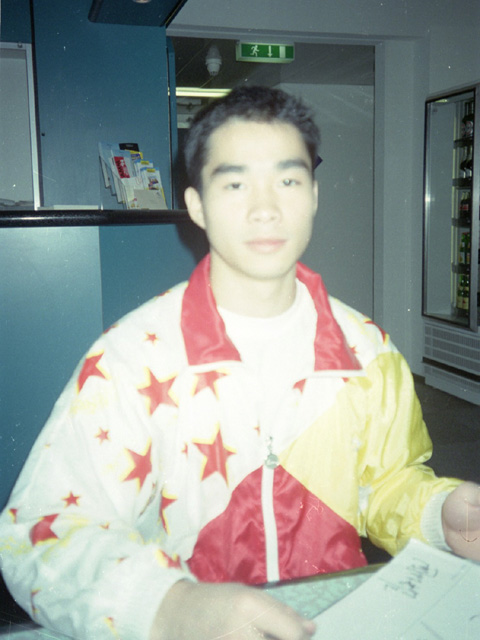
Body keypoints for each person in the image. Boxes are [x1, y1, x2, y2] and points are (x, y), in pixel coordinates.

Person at [1, 86, 479, 640]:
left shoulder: (367, 352)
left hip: (330, 619)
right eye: (234, 184)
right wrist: (169, 606)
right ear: (196, 205)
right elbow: (41, 533)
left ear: (314, 195)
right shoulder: (133, 358)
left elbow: (388, 482)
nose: (265, 208)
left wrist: (439, 513)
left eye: (288, 181)